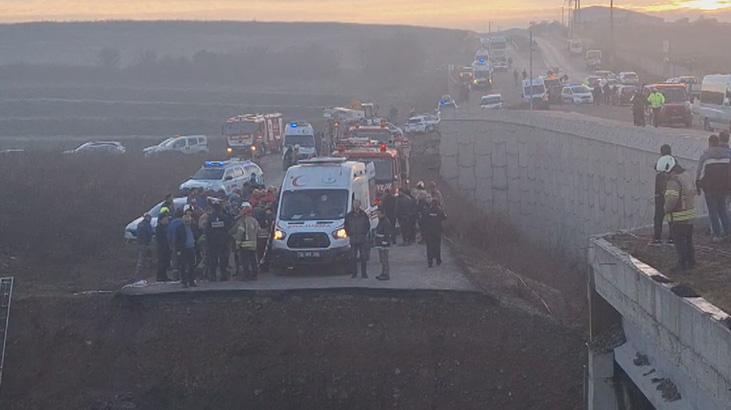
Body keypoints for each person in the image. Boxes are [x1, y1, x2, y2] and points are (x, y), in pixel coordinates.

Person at [696, 134, 731, 242]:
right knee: (723, 210)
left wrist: (698, 184)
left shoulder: (706, 156)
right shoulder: (728, 155)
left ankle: (717, 234)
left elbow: (700, 173)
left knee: (713, 212)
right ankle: (728, 232)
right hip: (724, 188)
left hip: (710, 188)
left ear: (710, 143)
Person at [665, 163, 696, 271]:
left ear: (672, 171)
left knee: (679, 242)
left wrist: (665, 209)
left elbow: (671, 200)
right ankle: (691, 261)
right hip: (689, 214)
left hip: (678, 217)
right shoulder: (687, 176)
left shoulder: (673, 182)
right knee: (688, 240)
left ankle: (682, 264)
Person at [652, 145, 676, 245]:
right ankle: (672, 238)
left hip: (659, 194)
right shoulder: (673, 161)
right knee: (671, 215)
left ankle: (657, 238)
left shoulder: (660, 161)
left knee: (658, 216)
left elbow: (655, 167)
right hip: (671, 193)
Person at [232, 205, 261, 280]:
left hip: (244, 245)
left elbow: (240, 233)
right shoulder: (255, 221)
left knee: (245, 261)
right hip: (253, 244)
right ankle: (255, 274)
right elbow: (259, 231)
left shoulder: (242, 221)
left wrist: (237, 244)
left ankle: (246, 275)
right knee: (253, 259)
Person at [344, 199, 371, 278]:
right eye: (354, 204)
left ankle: (364, 273)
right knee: (353, 257)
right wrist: (349, 233)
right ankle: (354, 273)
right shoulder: (349, 216)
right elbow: (346, 226)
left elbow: (367, 225)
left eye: (357, 204)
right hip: (353, 239)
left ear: (360, 205)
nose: (356, 205)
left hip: (362, 239)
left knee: (363, 257)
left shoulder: (364, 215)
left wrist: (364, 233)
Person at [206, 202, 232, 281]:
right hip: (223, 241)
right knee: (223, 258)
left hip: (212, 242)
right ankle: (223, 275)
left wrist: (208, 240)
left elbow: (207, 230)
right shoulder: (224, 217)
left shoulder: (210, 218)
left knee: (213, 259)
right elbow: (228, 228)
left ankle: (213, 276)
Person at [174, 211, 197, 288]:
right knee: (183, 266)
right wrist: (178, 250)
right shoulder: (179, 228)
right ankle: (184, 282)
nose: (188, 222)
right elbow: (176, 240)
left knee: (192, 265)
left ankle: (191, 281)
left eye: (189, 221)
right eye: (186, 221)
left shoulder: (192, 227)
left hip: (191, 248)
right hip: (183, 249)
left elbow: (195, 235)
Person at [421, 199, 447, 268]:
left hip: (429, 231)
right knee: (437, 246)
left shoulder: (427, 211)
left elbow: (423, 219)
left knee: (429, 247)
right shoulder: (440, 211)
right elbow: (445, 217)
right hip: (437, 231)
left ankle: (430, 262)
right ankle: (438, 260)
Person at [374, 208, 395, 281]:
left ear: (382, 213)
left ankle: (386, 274)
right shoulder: (382, 221)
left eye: (378, 214)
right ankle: (383, 273)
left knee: (384, 260)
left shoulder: (385, 222)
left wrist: (384, 242)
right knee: (382, 260)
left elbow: (387, 233)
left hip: (383, 244)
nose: (377, 215)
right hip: (380, 243)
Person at [134, 213, 153, 282]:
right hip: (145, 244)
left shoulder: (140, 224)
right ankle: (144, 274)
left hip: (141, 244)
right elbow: (149, 233)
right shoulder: (147, 225)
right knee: (145, 259)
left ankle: (140, 274)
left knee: (142, 259)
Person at [155, 212, 171, 282]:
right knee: (162, 262)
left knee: (165, 262)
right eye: (165, 218)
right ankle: (160, 276)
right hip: (162, 247)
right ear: (161, 219)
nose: (167, 220)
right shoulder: (159, 227)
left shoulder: (165, 227)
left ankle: (164, 276)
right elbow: (160, 239)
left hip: (165, 247)